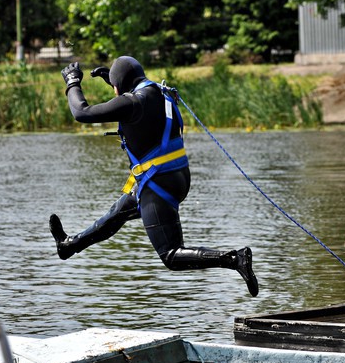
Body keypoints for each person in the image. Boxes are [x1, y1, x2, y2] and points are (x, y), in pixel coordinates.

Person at [48, 56, 259, 296]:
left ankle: (235, 259)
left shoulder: (133, 103)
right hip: (176, 176)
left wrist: (72, 83)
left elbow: (82, 112)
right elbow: (143, 110)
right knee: (117, 214)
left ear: (120, 87)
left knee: (171, 255)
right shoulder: (161, 92)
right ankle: (68, 246)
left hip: (157, 183)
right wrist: (115, 81)